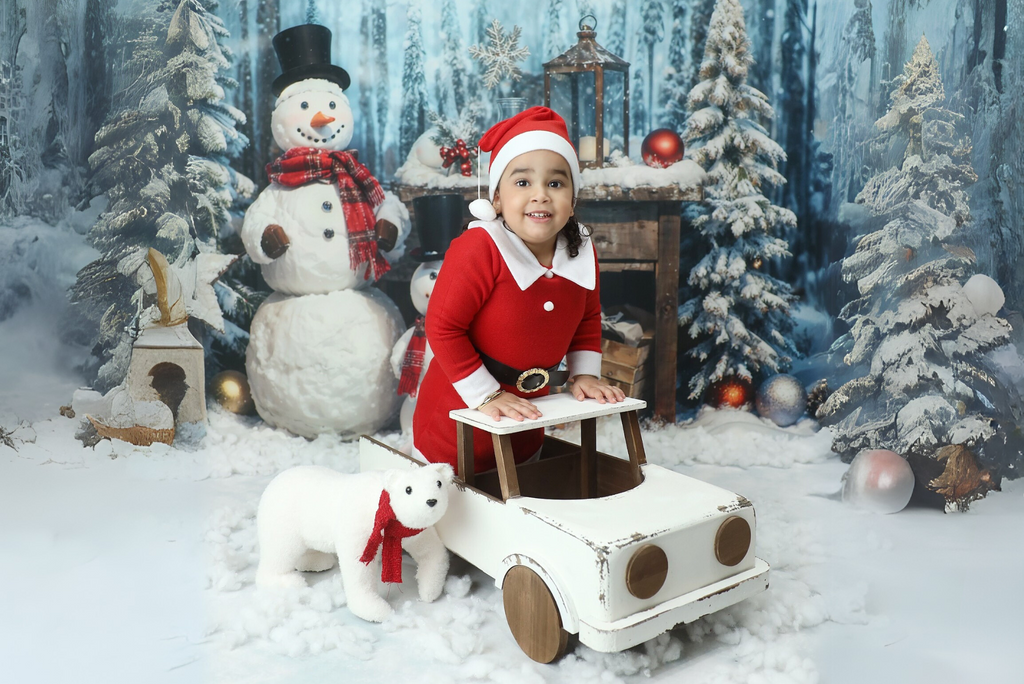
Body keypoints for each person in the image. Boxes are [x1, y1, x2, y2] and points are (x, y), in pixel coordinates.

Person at [412, 107, 625, 475]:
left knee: (521, 480)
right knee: (455, 495)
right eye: (523, 183)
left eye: (555, 183)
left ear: (573, 200)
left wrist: (584, 373)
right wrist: (487, 394)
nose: (540, 195)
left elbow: (587, 317)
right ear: (496, 198)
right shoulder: (480, 248)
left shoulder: (580, 250)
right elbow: (443, 328)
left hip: (527, 416)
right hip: (458, 417)